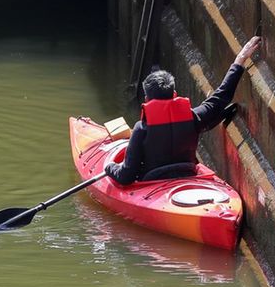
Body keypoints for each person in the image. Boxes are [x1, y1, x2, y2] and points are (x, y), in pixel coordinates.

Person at [106, 36, 262, 186]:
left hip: (152, 184)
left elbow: (125, 177)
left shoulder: (142, 129)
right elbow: (221, 97)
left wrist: (110, 167)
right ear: (174, 95)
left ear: (147, 100)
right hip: (188, 176)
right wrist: (239, 60)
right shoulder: (192, 118)